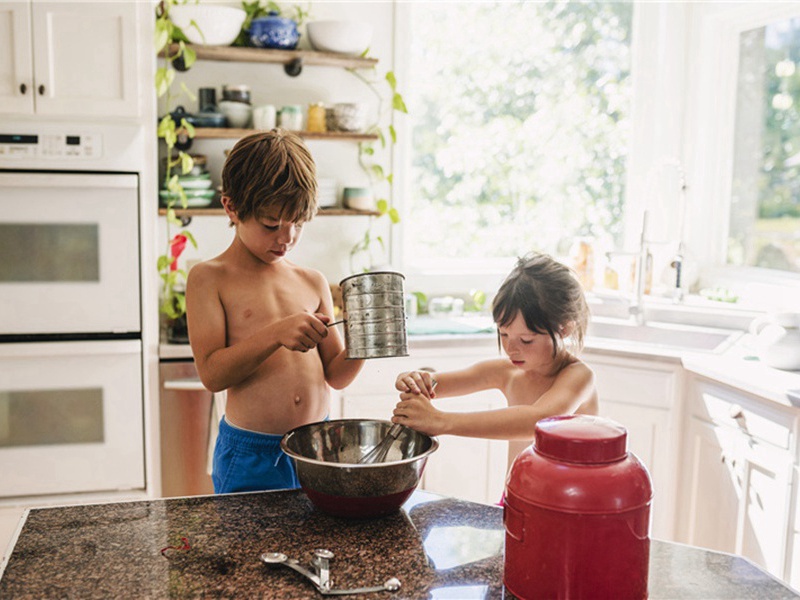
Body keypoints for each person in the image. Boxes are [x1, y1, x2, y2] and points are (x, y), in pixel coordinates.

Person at [186, 130, 364, 494]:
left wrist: (368, 336)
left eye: (297, 223)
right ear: (231, 207)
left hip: (318, 449)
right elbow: (212, 375)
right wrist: (275, 334)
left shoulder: (312, 281)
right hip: (252, 455)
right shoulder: (209, 278)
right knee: (249, 550)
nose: (286, 237)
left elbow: (336, 375)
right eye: (271, 224)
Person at [392, 252, 598, 471]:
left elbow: (538, 421)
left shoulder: (579, 376)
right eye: (504, 334)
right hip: (515, 496)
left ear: (564, 329)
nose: (511, 348)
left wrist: (441, 421)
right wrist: (413, 380)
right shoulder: (507, 372)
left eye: (526, 340)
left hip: (568, 503)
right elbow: (435, 384)